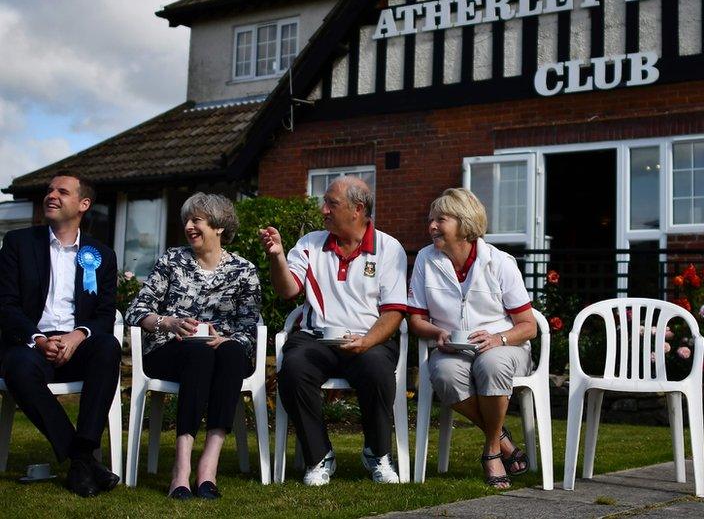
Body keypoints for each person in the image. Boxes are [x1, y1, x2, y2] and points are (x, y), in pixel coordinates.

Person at [260, 176, 407, 485]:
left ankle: (377, 454)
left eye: (331, 203)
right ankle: (319, 456)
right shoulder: (310, 243)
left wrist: (367, 341)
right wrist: (276, 257)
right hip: (316, 338)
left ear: (357, 209)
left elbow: (394, 312)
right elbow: (288, 290)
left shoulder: (389, 248)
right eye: (324, 202)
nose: (323, 209)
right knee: (294, 370)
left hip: (368, 339)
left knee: (378, 369)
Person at [124, 193, 260, 500]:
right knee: (199, 352)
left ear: (219, 227)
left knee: (230, 351)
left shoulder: (244, 270)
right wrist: (169, 323)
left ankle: (208, 467)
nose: (188, 226)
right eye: (187, 220)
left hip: (223, 353)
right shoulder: (171, 261)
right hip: (168, 351)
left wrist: (229, 338)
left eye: (196, 220)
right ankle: (181, 468)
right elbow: (137, 310)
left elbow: (249, 327)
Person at [406, 188, 537, 489]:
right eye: (431, 220)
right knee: (444, 372)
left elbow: (528, 326)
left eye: (441, 219)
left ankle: (491, 451)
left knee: (491, 364)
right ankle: (502, 439)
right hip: (452, 349)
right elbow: (416, 319)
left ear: (464, 224)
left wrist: (499, 338)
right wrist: (437, 332)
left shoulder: (500, 262)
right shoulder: (427, 259)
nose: (432, 227)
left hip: (505, 346)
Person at [0, 173, 121, 497]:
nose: (51, 195)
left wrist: (76, 336)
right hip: (32, 344)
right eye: (50, 190)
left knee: (108, 347)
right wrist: (38, 339)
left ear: (83, 204)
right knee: (17, 367)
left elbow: (104, 314)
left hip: (76, 345)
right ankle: (83, 459)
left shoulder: (101, 255)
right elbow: (5, 305)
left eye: (62, 191)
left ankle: (81, 457)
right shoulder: (18, 244)